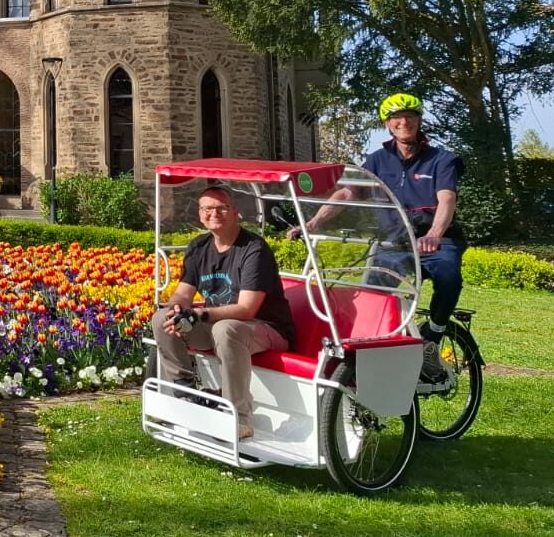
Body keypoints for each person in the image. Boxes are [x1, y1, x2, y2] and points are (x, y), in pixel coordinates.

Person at [289, 92, 465, 382]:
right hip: (394, 243)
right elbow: (347, 193)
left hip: (436, 242)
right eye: (396, 118)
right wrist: (313, 222)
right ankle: (373, 354)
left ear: (419, 120)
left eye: (410, 116)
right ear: (387, 124)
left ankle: (433, 335)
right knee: (371, 295)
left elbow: (446, 199)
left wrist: (435, 234)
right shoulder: (377, 161)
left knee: (448, 277)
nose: (404, 122)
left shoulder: (441, 160)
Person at [151, 185, 294, 440]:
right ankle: (184, 396)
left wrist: (200, 315)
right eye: (208, 208)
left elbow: (247, 309)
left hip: (266, 328)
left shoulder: (254, 249)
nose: (214, 213)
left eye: (222, 208)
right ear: (200, 214)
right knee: (163, 318)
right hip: (221, 326)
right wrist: (177, 309)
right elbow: (183, 293)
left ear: (235, 212)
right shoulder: (199, 247)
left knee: (226, 328)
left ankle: (239, 418)